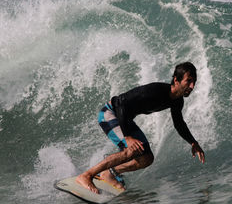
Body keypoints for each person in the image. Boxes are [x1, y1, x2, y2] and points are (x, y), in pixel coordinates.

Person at [76, 62, 205, 194]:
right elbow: (121, 103)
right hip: (110, 113)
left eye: (194, 82)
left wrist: (193, 142)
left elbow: (179, 124)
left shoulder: (177, 100)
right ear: (176, 80)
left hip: (125, 119)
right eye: (188, 81)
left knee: (147, 158)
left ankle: (109, 172)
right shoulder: (156, 91)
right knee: (132, 150)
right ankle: (86, 175)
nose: (192, 86)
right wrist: (128, 137)